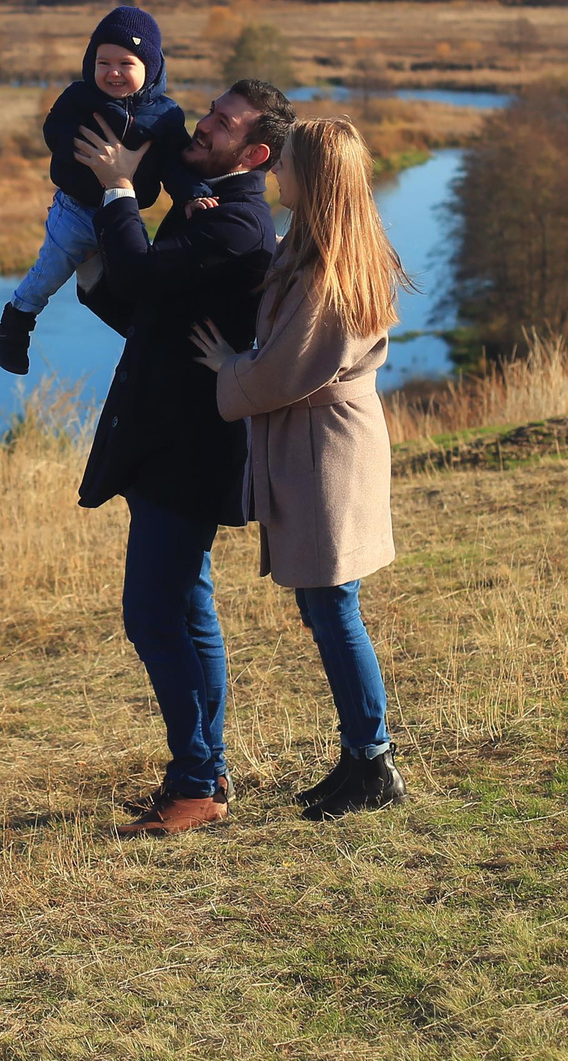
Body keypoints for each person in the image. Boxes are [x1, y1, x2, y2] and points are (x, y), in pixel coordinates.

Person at [66, 78, 294, 836]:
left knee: (153, 613)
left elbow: (144, 274)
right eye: (211, 111)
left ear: (255, 151)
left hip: (188, 446)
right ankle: (206, 769)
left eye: (223, 123)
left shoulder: (236, 224)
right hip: (169, 437)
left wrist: (120, 190)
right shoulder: (209, 205)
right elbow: (149, 302)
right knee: (187, 607)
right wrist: (96, 282)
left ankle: (197, 777)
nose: (204, 124)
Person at [190, 116, 408, 821]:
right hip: (325, 443)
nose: (274, 173)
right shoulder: (325, 250)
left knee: (332, 603)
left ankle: (372, 761)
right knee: (325, 602)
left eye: (283, 164)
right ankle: (360, 757)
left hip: (325, 450)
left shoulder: (326, 271)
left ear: (312, 179)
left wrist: (228, 366)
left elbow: (285, 367)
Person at [0, 5, 200, 376]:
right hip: (75, 209)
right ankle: (15, 325)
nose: (113, 72)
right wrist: (85, 148)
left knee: (128, 281)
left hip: (123, 214)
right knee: (51, 271)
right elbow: (52, 130)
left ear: (150, 69)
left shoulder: (166, 117)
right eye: (103, 62)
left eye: (126, 63)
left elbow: (176, 165)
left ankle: (145, 337)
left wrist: (192, 194)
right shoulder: (80, 98)